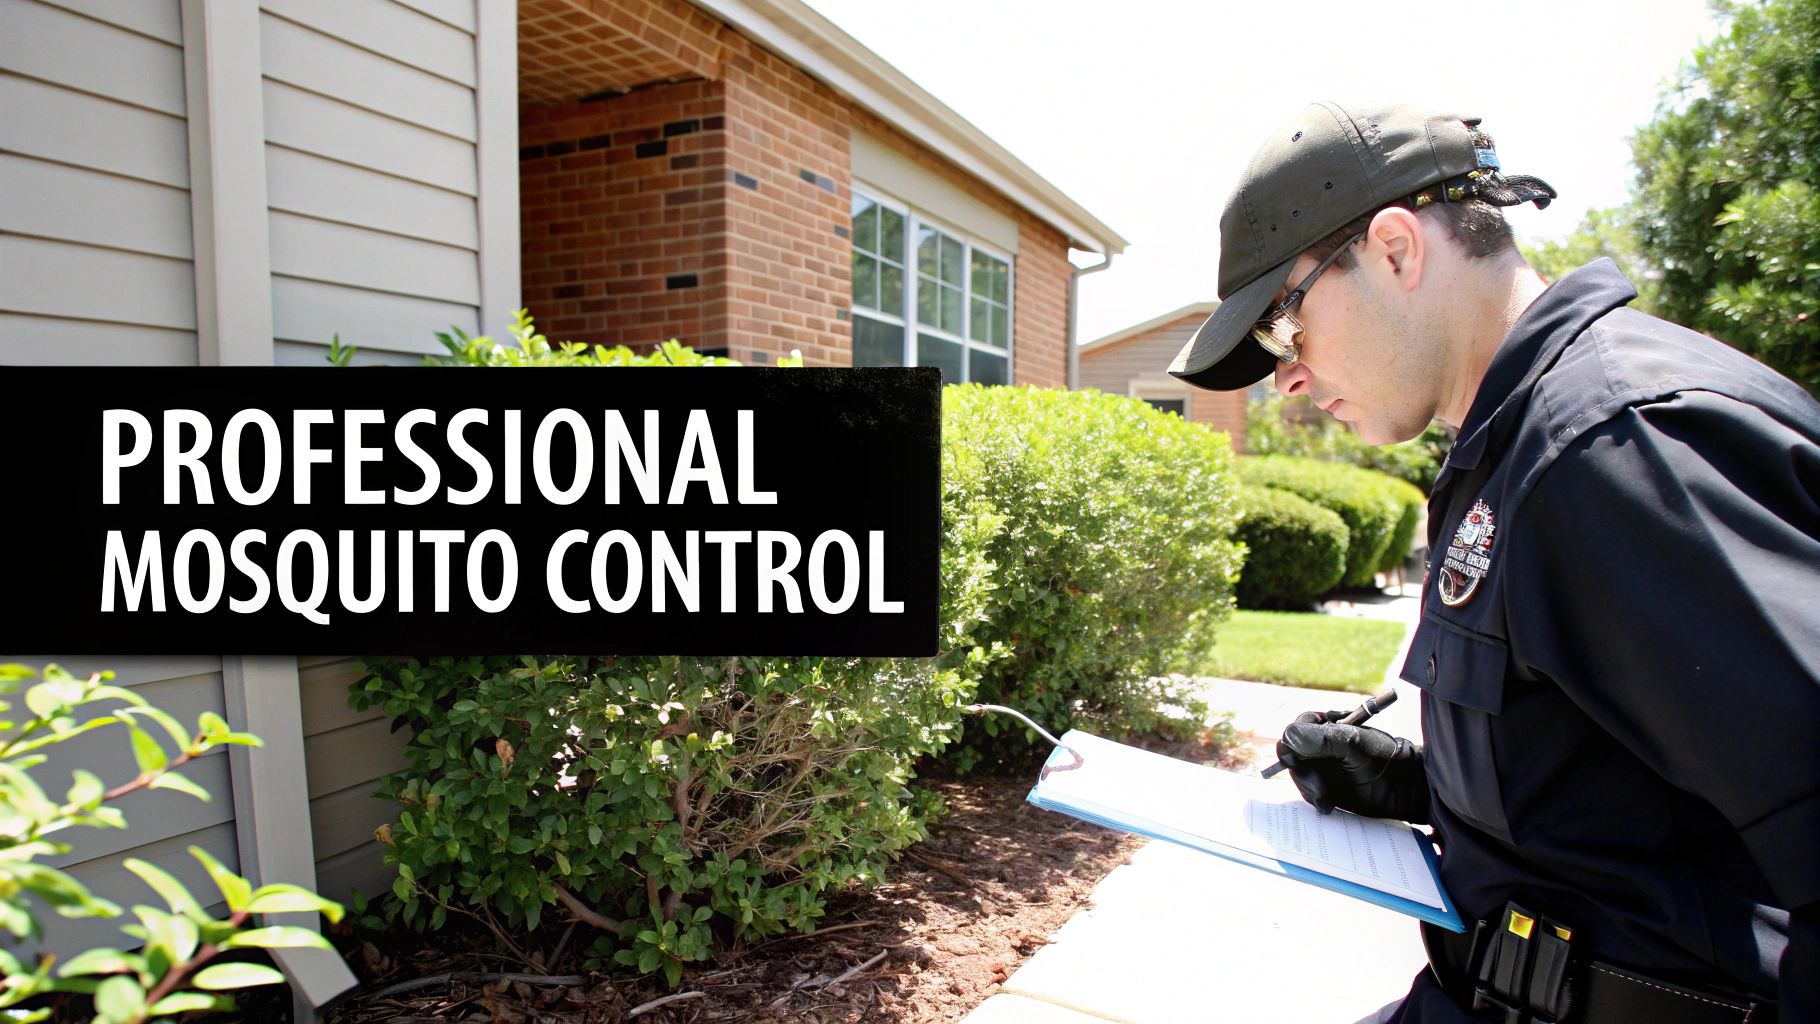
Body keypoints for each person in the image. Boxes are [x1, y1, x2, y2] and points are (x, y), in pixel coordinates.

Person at [1167, 101, 1819, 1023]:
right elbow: (1623, 789)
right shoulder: (1512, 449)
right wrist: (1418, 783)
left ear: (1395, 250)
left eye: (1283, 324)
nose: (1289, 378)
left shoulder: (1615, 449)